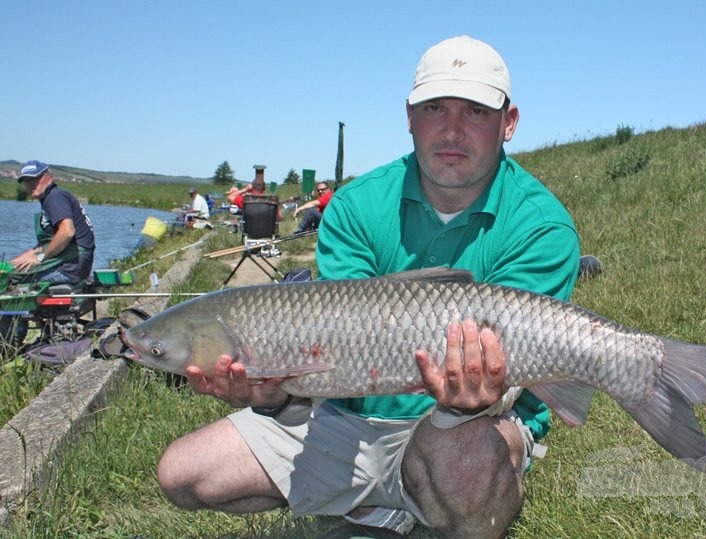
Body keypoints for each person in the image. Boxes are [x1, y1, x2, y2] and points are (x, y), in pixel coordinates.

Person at [157, 36, 580, 539]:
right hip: (352, 420)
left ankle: (417, 499)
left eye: (475, 112)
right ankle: (386, 501)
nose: (451, 129)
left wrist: (473, 400)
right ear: (409, 116)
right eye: (435, 108)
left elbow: (514, 377)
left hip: (469, 423)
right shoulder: (356, 205)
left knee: (465, 468)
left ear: (508, 123)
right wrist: (273, 396)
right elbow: (343, 354)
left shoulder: (542, 226)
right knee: (183, 472)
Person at [10, 160, 96, 285]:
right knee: (11, 270)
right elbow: (43, 245)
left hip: (68, 268)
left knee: (13, 279)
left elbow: (67, 232)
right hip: (74, 265)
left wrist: (40, 258)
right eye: (27, 181)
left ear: (49, 178)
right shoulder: (50, 198)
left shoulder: (55, 197)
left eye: (35, 179)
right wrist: (13, 264)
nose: (31, 184)